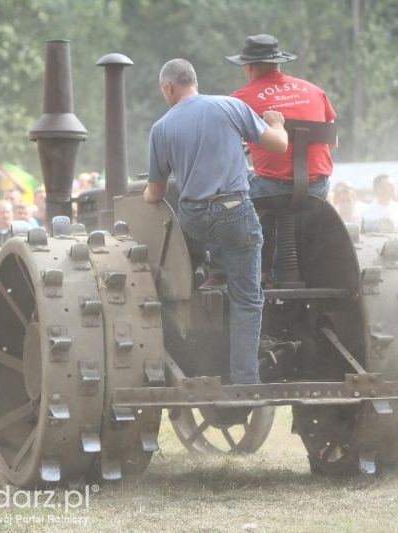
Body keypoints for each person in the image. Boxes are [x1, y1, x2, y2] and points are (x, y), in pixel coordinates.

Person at [144, 58, 288, 385]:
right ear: (194, 80)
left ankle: (204, 275)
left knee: (201, 238)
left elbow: (156, 191)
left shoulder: (161, 128)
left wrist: (146, 199)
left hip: (194, 218)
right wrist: (276, 123)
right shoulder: (229, 106)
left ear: (169, 88)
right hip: (235, 213)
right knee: (248, 299)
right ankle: (245, 379)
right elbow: (279, 145)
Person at [227, 34, 335, 200]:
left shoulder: (238, 100)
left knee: (225, 184)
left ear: (248, 67)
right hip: (318, 189)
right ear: (278, 63)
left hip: (270, 191)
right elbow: (333, 142)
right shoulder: (315, 91)